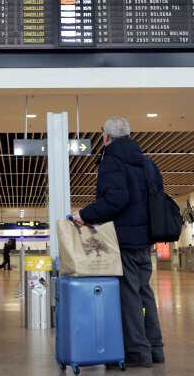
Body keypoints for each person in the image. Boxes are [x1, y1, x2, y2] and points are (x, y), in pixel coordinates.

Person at [73, 116, 165, 367]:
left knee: (129, 297)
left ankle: (137, 352)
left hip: (124, 240)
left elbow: (116, 200)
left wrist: (84, 215)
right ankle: (155, 348)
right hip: (145, 240)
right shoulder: (146, 162)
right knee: (144, 292)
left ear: (106, 137)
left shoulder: (111, 160)